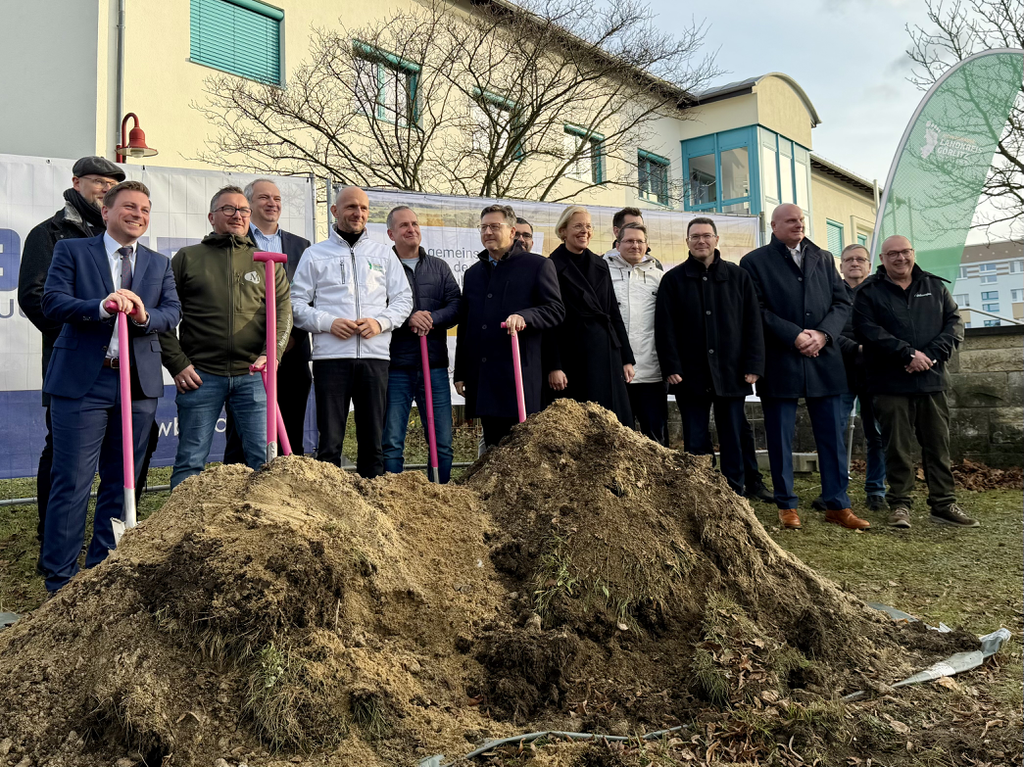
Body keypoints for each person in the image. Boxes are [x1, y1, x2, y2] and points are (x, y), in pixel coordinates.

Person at [40, 180, 181, 594]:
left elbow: (171, 313)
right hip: (84, 382)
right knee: (72, 482)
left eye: (145, 209)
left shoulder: (158, 263)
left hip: (137, 384)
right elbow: (52, 302)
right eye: (129, 207)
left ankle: (103, 570)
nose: (138, 214)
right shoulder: (72, 251)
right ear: (105, 211)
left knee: (123, 482)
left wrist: (141, 316)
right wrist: (100, 307)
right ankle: (61, 581)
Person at [18, 156, 126, 571]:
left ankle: (111, 537)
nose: (104, 189)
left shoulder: (117, 234)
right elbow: (34, 296)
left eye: (112, 184)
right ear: (77, 182)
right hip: (73, 363)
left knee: (122, 458)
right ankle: (54, 537)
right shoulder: (49, 233)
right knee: (63, 456)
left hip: (124, 368)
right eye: (98, 182)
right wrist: (79, 332)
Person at [740, 204, 868, 530]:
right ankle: (787, 506)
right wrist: (794, 335)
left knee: (832, 439)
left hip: (824, 361)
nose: (798, 225)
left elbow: (842, 303)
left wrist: (823, 334)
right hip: (781, 360)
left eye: (801, 220)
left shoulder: (823, 258)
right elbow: (757, 310)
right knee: (780, 439)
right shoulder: (754, 262)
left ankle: (838, 505)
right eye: (791, 221)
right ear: (774, 225)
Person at [161, 185, 292, 488]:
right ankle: (181, 529)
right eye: (228, 209)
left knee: (264, 462)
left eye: (243, 210)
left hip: (253, 375)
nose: (237, 215)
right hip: (200, 375)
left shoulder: (266, 261)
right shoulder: (187, 258)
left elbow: (283, 313)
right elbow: (164, 315)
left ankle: (266, 529)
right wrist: (177, 363)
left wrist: (272, 355)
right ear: (212, 216)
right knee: (191, 461)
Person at [290, 187, 413, 477]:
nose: (358, 213)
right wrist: (327, 322)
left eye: (364, 208)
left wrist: (379, 323)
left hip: (375, 359)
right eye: (350, 207)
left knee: (373, 442)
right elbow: (295, 304)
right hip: (331, 360)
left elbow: (403, 299)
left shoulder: (383, 255)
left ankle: (371, 505)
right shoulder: (315, 254)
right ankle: (329, 506)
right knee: (330, 441)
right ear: (335, 211)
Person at [854, 235, 972, 527]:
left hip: (931, 380)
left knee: (938, 445)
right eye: (892, 254)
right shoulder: (869, 292)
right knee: (897, 446)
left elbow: (955, 325)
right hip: (889, 383)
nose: (900, 258)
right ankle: (901, 505)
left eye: (905, 252)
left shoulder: (934, 286)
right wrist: (906, 354)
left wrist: (929, 356)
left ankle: (943, 505)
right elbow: (867, 330)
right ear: (882, 259)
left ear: (913, 253)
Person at [656, 217, 764, 494]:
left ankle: (734, 493)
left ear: (717, 239)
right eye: (694, 237)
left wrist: (754, 364)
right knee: (695, 439)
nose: (701, 241)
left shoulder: (739, 277)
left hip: (732, 371)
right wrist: (671, 366)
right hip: (689, 375)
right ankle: (701, 495)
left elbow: (753, 323)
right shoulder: (673, 280)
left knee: (733, 437)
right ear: (687, 242)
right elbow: (664, 327)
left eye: (706, 235)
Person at [454, 204, 564, 448]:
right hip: (485, 376)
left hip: (519, 375)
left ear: (512, 231)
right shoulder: (473, 274)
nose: (488, 232)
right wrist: (461, 371)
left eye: (495, 226)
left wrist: (526, 316)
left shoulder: (537, 265)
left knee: (523, 450)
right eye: (483, 227)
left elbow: (555, 310)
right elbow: (467, 325)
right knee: (493, 448)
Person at [223, 179, 312, 461]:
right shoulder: (231, 241)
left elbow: (307, 296)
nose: (272, 203)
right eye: (264, 198)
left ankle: (288, 495)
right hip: (246, 353)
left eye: (277, 198)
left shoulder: (302, 246)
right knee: (243, 433)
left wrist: (288, 338)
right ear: (249, 204)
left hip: (292, 350)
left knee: (290, 432)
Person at [381, 206, 462, 482]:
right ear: (391, 233)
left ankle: (440, 495)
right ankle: (391, 498)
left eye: (415, 223)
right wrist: (408, 319)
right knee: (391, 442)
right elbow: (375, 307)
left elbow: (456, 306)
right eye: (404, 225)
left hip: (435, 368)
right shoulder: (381, 266)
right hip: (396, 367)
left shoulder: (438, 267)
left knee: (442, 443)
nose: (411, 229)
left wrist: (431, 318)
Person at [812, 244, 887, 512]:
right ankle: (834, 490)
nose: (854, 263)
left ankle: (876, 490)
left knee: (877, 435)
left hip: (876, 375)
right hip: (840, 373)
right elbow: (825, 329)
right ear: (840, 266)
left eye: (860, 259)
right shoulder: (830, 293)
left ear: (869, 265)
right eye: (848, 260)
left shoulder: (881, 293)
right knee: (834, 434)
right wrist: (854, 348)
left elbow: (888, 329)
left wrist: (873, 348)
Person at [544, 206, 634, 425]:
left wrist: (626, 358)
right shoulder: (550, 265)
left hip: (606, 351)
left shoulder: (600, 264)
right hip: (572, 355)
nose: (584, 231)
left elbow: (613, 312)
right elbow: (549, 322)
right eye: (578, 226)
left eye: (588, 226)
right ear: (563, 231)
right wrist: (554, 366)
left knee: (611, 422)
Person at [604, 222, 667, 442]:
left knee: (654, 439)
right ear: (618, 243)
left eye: (640, 241)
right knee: (616, 439)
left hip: (652, 373)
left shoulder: (658, 277)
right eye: (629, 241)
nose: (635, 246)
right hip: (615, 372)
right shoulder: (603, 273)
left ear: (647, 245)